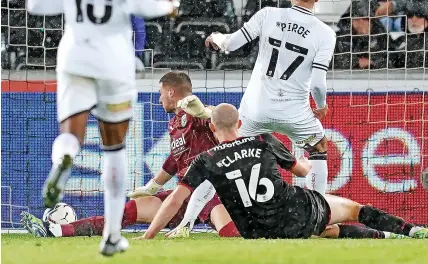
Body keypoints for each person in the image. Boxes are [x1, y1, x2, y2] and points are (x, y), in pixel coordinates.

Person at [26, 0, 179, 256]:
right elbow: (141, 5)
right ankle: (112, 235)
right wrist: (169, 6)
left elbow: (36, 5)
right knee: (114, 148)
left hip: (75, 53)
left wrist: (74, 3)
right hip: (114, 59)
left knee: (71, 132)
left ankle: (64, 158)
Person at [143, 104, 428, 240]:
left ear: (213, 129)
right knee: (352, 209)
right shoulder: (263, 140)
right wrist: (302, 156)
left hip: (256, 231)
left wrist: (149, 235)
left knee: (325, 231)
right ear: (240, 123)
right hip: (294, 212)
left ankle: (385, 238)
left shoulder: (205, 159)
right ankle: (409, 230)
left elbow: (175, 200)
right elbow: (303, 171)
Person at [21, 72, 240, 239]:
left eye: (161, 93)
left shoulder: (197, 113)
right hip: (184, 194)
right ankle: (57, 230)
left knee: (230, 233)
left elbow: (222, 117)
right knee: (127, 211)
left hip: (213, 191)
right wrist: (151, 187)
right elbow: (175, 160)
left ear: (171, 92)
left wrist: (204, 111)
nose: (160, 98)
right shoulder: (174, 122)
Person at [206, 0, 336, 196]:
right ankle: (319, 210)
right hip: (294, 112)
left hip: (256, 109)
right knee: (319, 148)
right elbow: (317, 84)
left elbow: (232, 43)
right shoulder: (326, 33)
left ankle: (193, 215)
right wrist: (321, 106)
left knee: (226, 153)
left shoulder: (268, 14)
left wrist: (217, 38)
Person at [333, 0, 389, 70]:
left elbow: (389, 58)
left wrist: (373, 63)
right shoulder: (339, 37)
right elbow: (336, 60)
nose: (362, 22)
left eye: (366, 19)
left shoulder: (380, 34)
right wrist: (356, 62)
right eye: (358, 19)